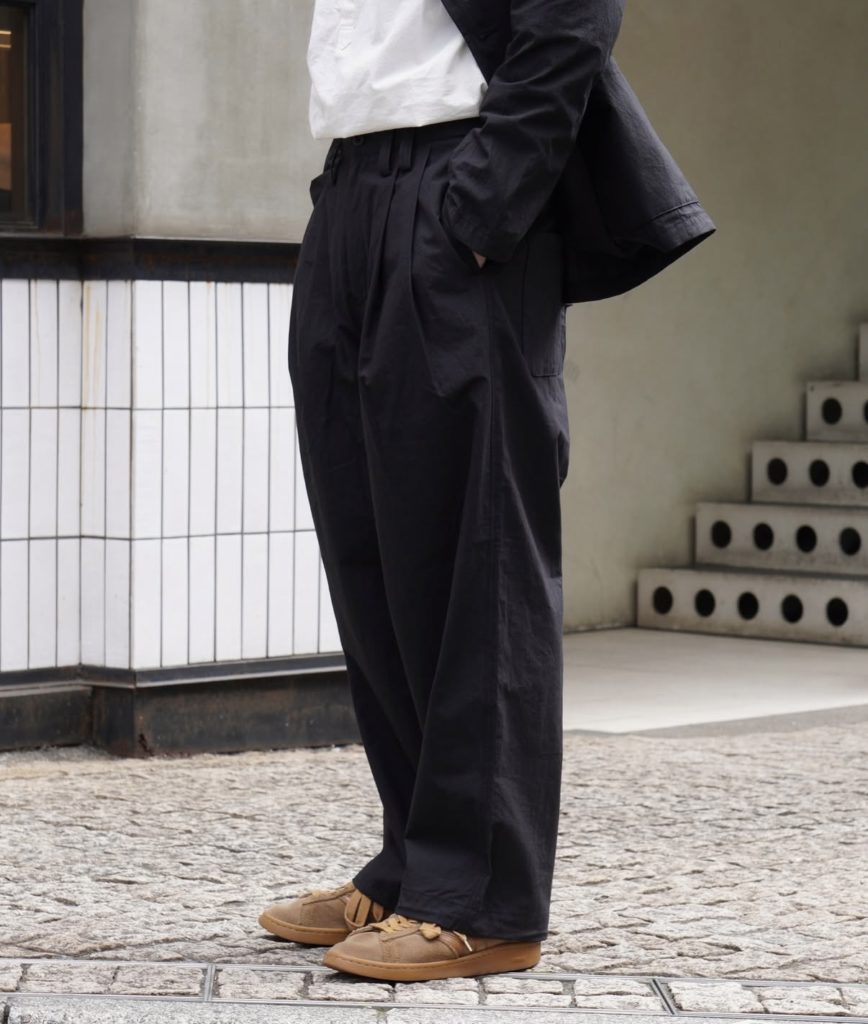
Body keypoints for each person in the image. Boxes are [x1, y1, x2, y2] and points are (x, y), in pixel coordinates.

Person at [258, 0, 715, 984]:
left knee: (480, 558)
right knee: (375, 556)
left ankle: (486, 900)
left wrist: (486, 200)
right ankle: (415, 867)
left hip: (455, 180)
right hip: (353, 187)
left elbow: (571, 17)